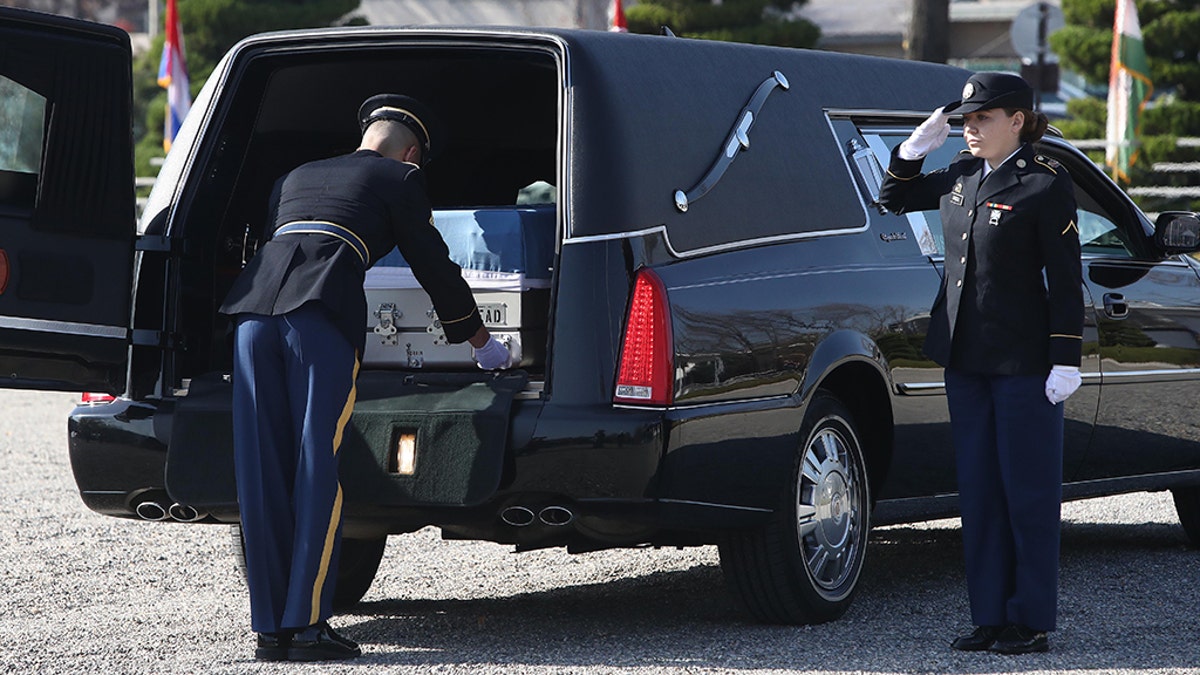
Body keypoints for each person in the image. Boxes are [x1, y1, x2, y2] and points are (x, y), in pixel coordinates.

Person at [219, 93, 511, 662]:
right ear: (410, 154)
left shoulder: (295, 175)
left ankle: (270, 631)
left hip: (252, 318)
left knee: (262, 469)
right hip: (317, 319)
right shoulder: (398, 180)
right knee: (314, 465)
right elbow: (435, 266)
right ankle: (305, 627)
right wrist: (482, 343)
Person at [878, 72, 1083, 655]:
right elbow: (893, 199)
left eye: (982, 119)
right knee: (980, 490)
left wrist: (1064, 357)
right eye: (964, 120)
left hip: (1024, 363)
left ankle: (1030, 619)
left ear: (1017, 121)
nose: (969, 129)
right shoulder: (962, 175)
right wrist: (912, 152)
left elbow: (1067, 283)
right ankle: (989, 616)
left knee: (1028, 491)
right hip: (965, 357)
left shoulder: (1044, 185)